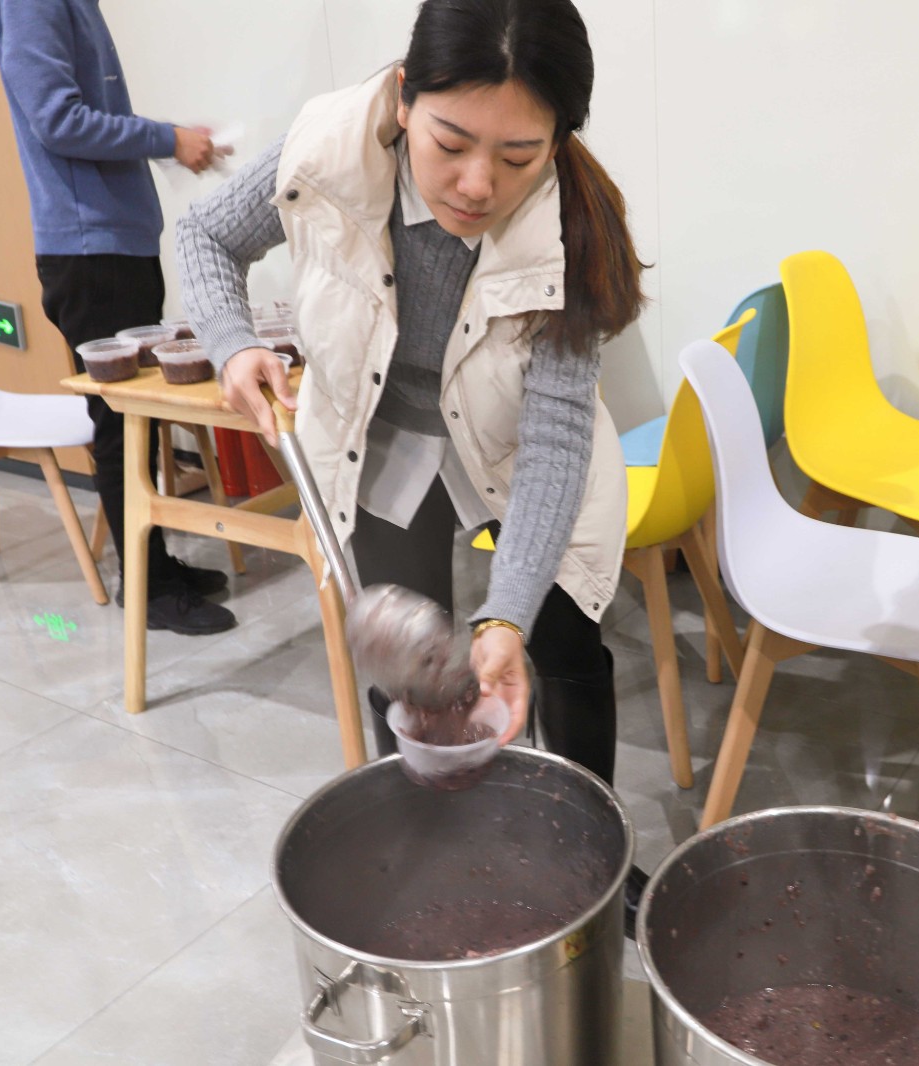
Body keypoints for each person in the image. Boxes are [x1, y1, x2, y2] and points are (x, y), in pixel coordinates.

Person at [176, 0, 649, 927]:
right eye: (450, 143)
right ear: (403, 99)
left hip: (512, 440)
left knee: (557, 639)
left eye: (517, 157)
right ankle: (444, 849)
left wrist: (505, 615)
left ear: (557, 142)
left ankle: (590, 852)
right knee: (409, 654)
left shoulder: (574, 228)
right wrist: (232, 343)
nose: (476, 184)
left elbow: (554, 443)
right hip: (380, 430)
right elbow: (205, 235)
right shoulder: (326, 146)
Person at [0, 0, 235, 634]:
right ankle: (149, 587)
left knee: (135, 417)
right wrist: (167, 139)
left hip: (112, 245)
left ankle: (154, 565)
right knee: (119, 421)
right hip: (90, 249)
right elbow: (58, 121)